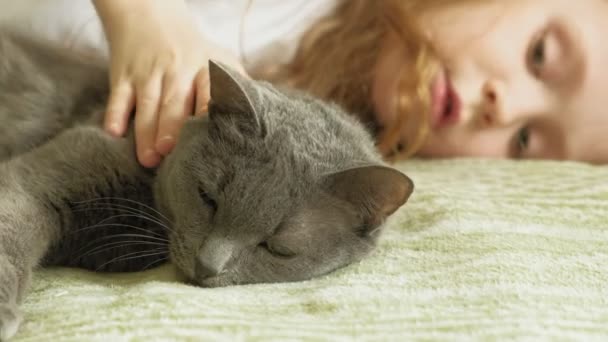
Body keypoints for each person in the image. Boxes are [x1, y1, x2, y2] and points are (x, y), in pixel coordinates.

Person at [5, 0, 608, 166]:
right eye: (540, 54)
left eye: (527, 140)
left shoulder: (331, 141)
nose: (503, 110)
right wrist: (144, 17)